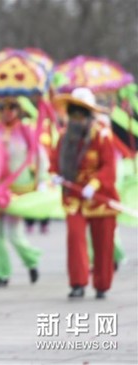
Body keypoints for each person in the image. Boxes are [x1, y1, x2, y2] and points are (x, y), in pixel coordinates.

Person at [50, 87, 118, 299]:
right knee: (75, 237)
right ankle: (78, 283)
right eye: (72, 113)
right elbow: (54, 160)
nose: (76, 118)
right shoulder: (64, 136)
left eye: (81, 113)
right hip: (74, 197)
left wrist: (95, 184)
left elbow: (109, 166)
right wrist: (54, 174)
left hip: (99, 197)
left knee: (103, 243)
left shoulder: (102, 135)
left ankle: (102, 284)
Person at [0, 96, 43, 288]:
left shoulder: (25, 130)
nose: (7, 111)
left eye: (12, 107)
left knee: (14, 234)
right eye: (2, 106)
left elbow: (39, 155)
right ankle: (1, 274)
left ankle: (31, 260)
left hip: (17, 190)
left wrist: (41, 180)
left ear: (19, 110)